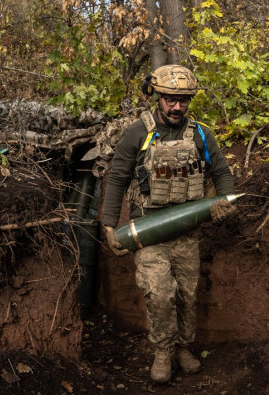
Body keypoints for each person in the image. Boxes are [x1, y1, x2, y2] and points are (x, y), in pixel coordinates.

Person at [101, 64, 236, 383]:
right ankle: (163, 352)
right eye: (170, 99)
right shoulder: (138, 133)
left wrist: (224, 201)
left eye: (184, 100)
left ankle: (183, 349)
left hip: (187, 233)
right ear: (157, 96)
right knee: (161, 293)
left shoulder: (201, 134)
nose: (177, 106)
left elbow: (222, 173)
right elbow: (118, 178)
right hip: (148, 233)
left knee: (187, 295)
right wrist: (109, 225)